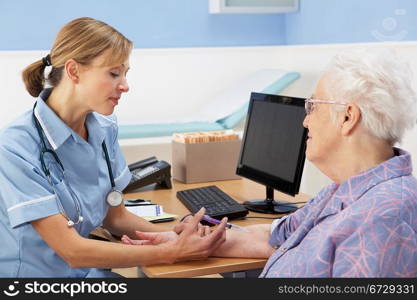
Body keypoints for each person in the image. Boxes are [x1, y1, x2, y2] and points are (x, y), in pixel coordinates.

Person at [126, 48, 417, 277]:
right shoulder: (340, 193)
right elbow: (273, 238)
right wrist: (177, 244)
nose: (304, 121)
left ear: (347, 117)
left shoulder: (383, 220)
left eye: (312, 106)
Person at [0, 17, 227, 278]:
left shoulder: (103, 128)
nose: (125, 86)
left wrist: (176, 234)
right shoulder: (15, 146)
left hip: (87, 274)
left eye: (125, 74)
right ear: (74, 71)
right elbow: (72, 251)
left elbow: (115, 218)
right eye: (113, 73)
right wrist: (173, 251)